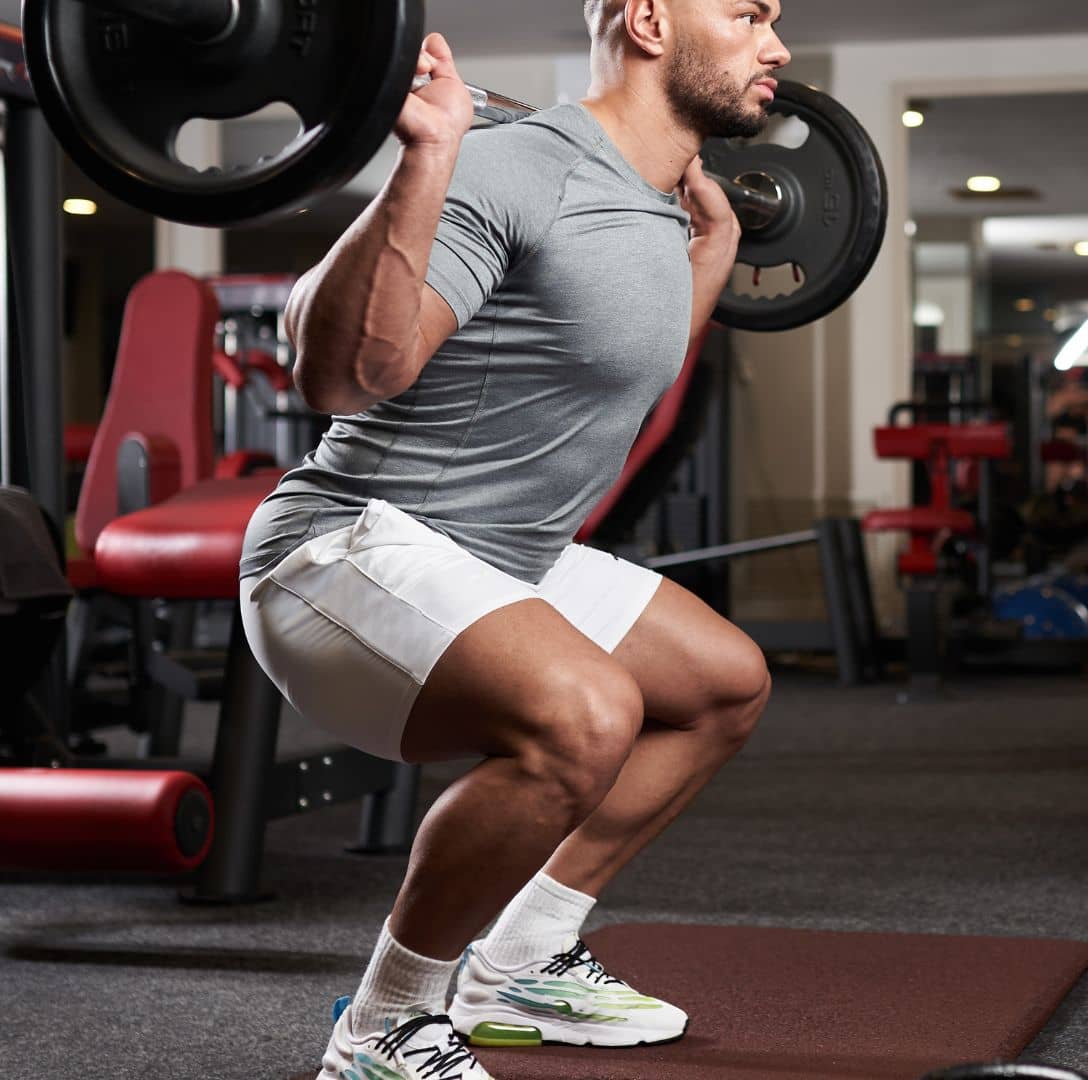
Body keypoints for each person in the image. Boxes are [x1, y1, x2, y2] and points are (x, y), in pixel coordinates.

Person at [236, 3, 791, 1077]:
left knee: (726, 683)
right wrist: (435, 154)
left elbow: (627, 360)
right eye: (747, 13)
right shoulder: (514, 166)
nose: (776, 47)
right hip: (342, 551)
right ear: (645, 19)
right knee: (588, 714)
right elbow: (341, 377)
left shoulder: (658, 207)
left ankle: (521, 963)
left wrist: (716, 242)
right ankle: (385, 1029)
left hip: (492, 555)